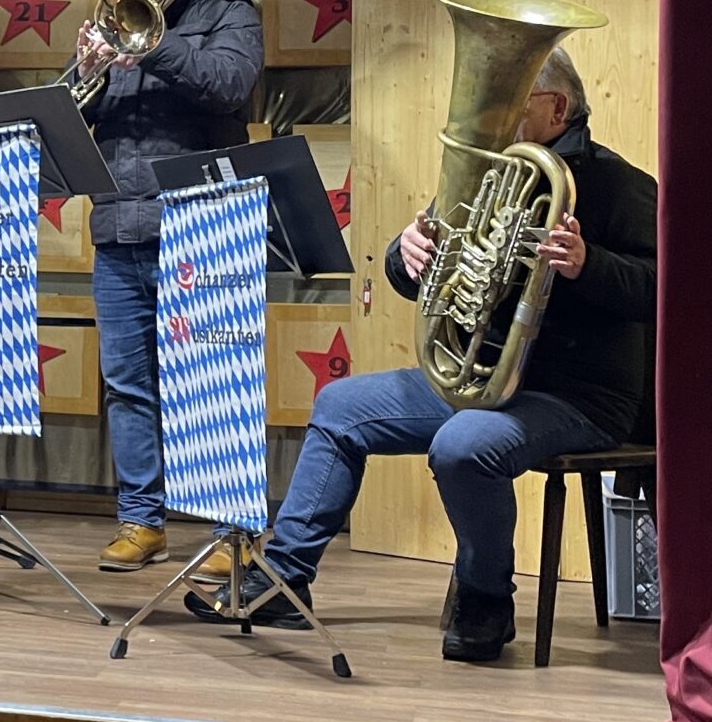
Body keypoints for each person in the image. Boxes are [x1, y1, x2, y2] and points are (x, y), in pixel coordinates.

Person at [185, 47, 656, 661]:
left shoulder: (619, 184)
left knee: (463, 446)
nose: (490, 114)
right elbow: (422, 271)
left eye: (509, 100)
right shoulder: (489, 172)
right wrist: (404, 254)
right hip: (481, 378)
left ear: (558, 107)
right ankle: (284, 581)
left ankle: (486, 598)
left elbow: (663, 289)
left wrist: (589, 264)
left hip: (575, 395)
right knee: (340, 406)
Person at [75, 0, 263, 571]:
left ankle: (234, 529)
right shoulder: (113, 19)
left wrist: (152, 45)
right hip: (118, 228)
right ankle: (141, 521)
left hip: (199, 224)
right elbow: (73, 120)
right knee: (127, 385)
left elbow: (231, 85)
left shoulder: (228, 13)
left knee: (215, 381)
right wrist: (88, 71)